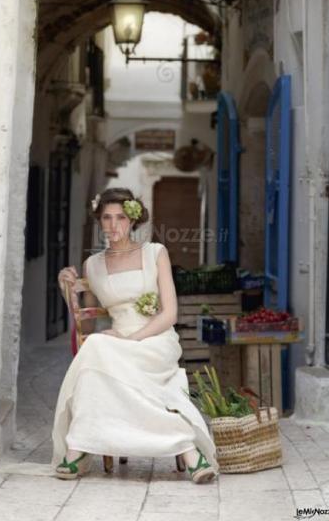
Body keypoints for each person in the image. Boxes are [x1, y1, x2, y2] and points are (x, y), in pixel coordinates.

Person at [52, 187, 219, 483]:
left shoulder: (155, 253)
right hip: (117, 341)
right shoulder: (93, 265)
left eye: (119, 217)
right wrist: (67, 289)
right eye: (106, 217)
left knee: (98, 353)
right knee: (95, 347)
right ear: (99, 221)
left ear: (132, 220)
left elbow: (170, 314)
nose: (113, 225)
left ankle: (79, 449)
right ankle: (188, 452)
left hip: (156, 340)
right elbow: (87, 325)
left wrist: (133, 338)